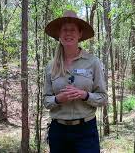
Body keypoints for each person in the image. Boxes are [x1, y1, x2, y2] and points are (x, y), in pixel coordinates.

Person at [43, 10, 108, 153]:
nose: (68, 33)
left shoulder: (92, 62)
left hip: (86, 130)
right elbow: (46, 101)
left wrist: (84, 95)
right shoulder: (50, 66)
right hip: (58, 131)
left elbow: (103, 98)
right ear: (59, 35)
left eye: (72, 30)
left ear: (80, 34)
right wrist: (58, 99)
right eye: (64, 30)